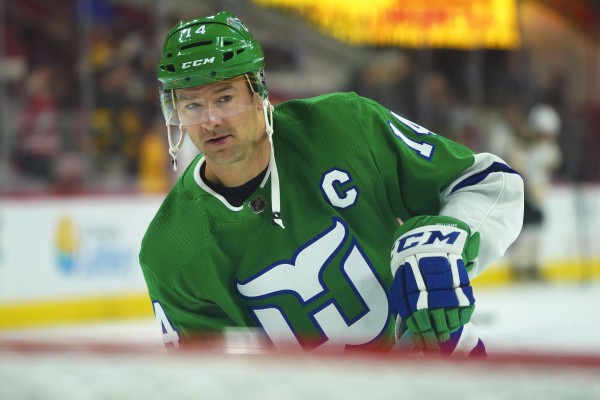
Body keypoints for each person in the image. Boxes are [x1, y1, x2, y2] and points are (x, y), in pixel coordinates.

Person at [139, 11, 524, 355]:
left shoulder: (344, 126)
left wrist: (443, 243)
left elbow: (488, 182)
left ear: (259, 92)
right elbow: (211, 381)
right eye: (192, 105)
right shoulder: (170, 251)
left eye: (225, 98)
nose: (210, 121)